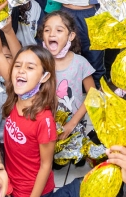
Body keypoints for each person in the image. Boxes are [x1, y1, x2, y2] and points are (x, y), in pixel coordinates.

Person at [0, 3, 109, 197]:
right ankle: (78, 189)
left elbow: (45, 165)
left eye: (30, 68)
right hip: (16, 186)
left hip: (33, 191)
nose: (20, 70)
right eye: (18, 66)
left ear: (43, 77)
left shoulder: (44, 119)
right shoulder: (15, 92)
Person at [38, 11, 96, 142]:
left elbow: (93, 94)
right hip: (45, 128)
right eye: (47, 30)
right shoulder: (38, 63)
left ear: (71, 36)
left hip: (75, 128)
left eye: (59, 30)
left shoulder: (80, 62)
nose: (52, 34)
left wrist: (72, 124)